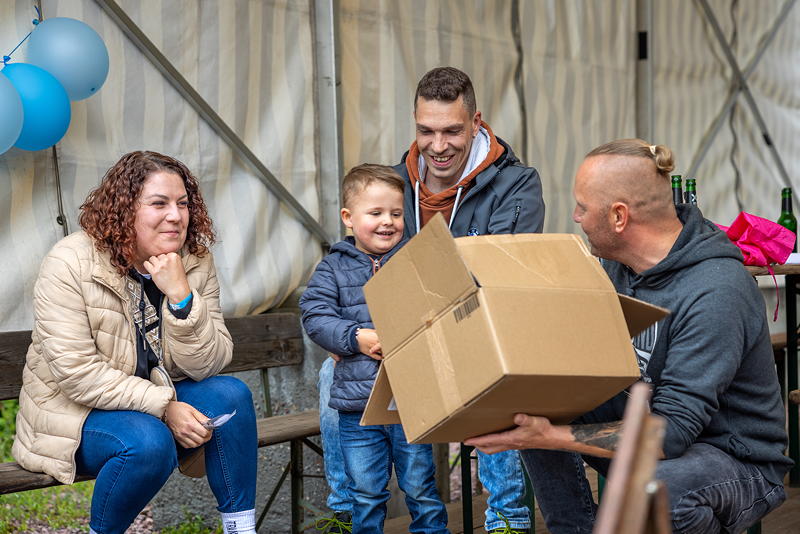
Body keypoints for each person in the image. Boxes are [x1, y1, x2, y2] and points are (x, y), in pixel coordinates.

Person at [466, 139, 792, 533]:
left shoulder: (716, 291)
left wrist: (553, 436)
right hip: (649, 427)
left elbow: (669, 434)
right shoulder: (618, 267)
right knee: (532, 400)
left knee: (656, 491)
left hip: (733, 459)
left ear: (619, 217)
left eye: (583, 208)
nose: (575, 217)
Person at [317, 66, 545, 534]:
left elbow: (501, 270)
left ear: (476, 122)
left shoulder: (515, 183)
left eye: (452, 131)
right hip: (403, 337)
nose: (438, 146)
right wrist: (355, 330)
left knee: (498, 373)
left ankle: (507, 519)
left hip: (477, 328)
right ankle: (346, 510)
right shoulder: (394, 183)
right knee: (330, 370)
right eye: (426, 131)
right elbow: (359, 262)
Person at [12, 151, 258, 534]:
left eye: (182, 203)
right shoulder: (70, 262)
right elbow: (77, 374)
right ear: (124, 209)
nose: (175, 216)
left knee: (232, 396)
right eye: (159, 204)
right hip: (72, 415)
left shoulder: (193, 260)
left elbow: (210, 363)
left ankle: (241, 528)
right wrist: (165, 407)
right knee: (149, 441)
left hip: (150, 399)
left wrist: (181, 298)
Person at [301, 164, 449, 534]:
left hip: (411, 403)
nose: (388, 222)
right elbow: (315, 315)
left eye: (396, 214)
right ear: (349, 218)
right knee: (365, 491)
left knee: (421, 487)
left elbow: (442, 305)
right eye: (376, 213)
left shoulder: (415, 262)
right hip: (357, 409)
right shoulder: (332, 268)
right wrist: (355, 338)